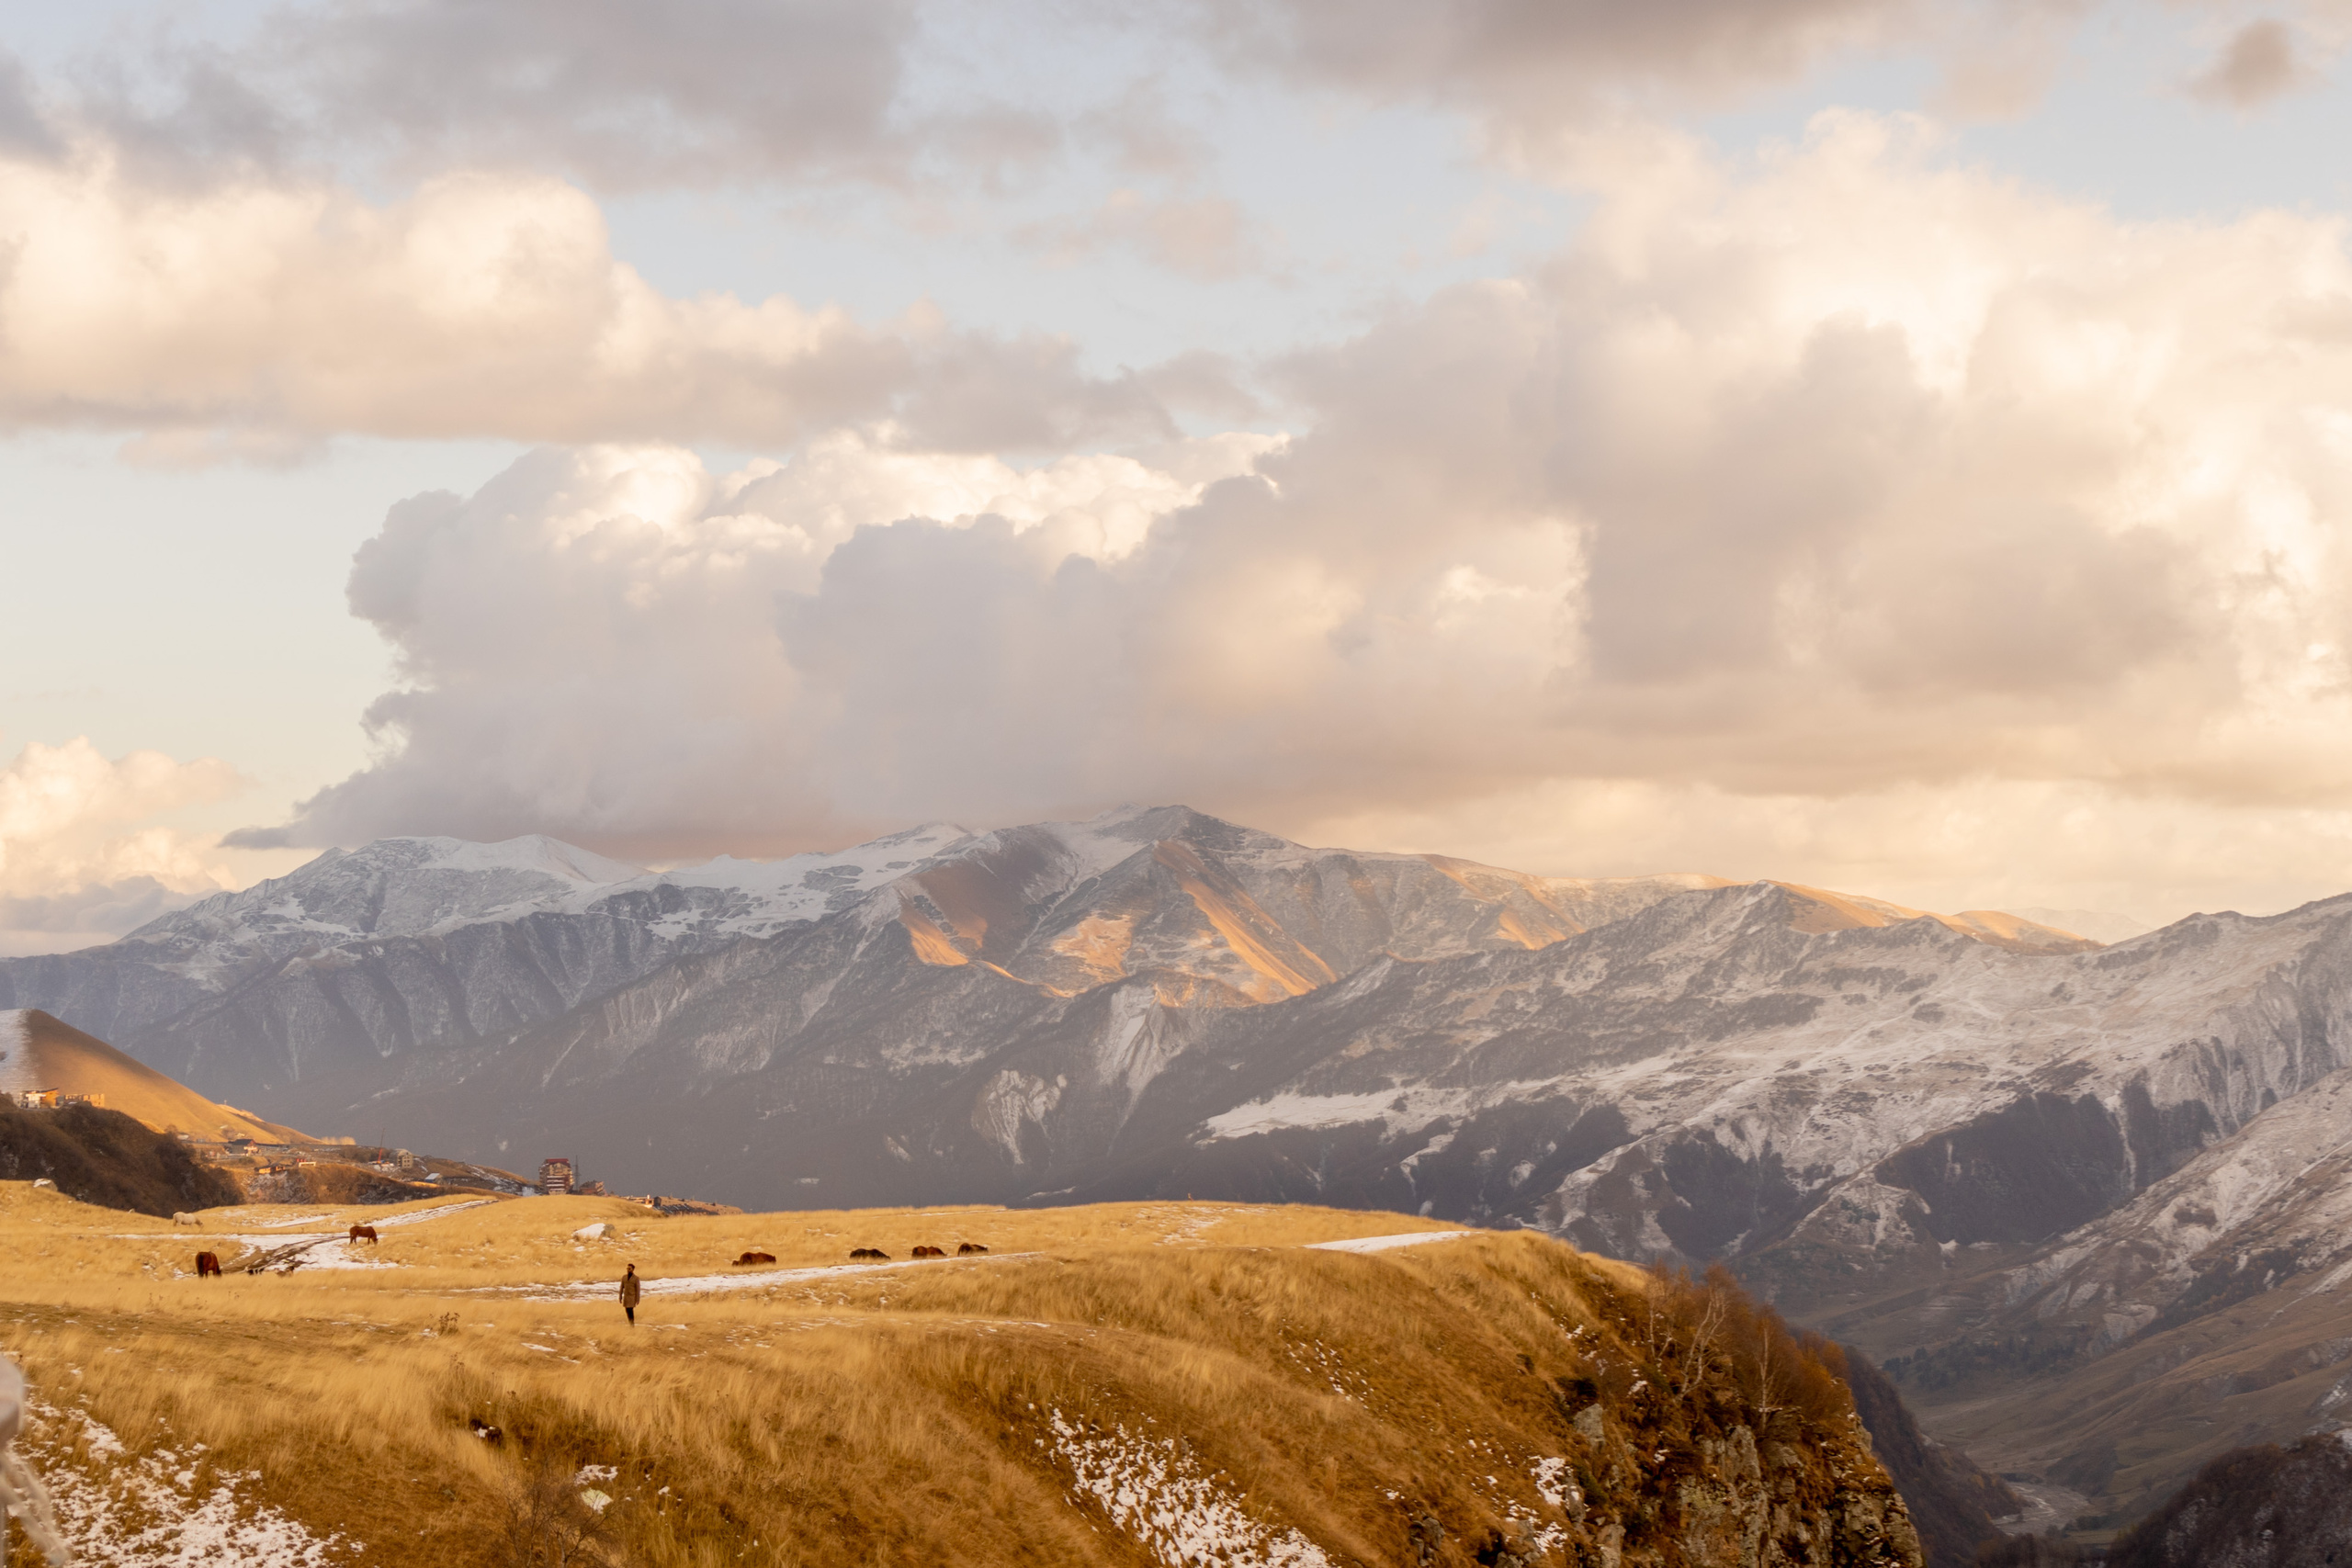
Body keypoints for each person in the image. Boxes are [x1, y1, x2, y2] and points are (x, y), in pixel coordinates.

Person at [619, 1262, 640, 1326]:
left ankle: (632, 1324)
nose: (628, 1270)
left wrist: (637, 1299)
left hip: (632, 1297)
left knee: (630, 1310)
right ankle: (630, 1323)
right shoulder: (624, 1277)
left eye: (629, 1269)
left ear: (633, 1269)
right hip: (626, 1297)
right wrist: (620, 1296)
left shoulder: (636, 1278)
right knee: (627, 1310)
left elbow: (638, 1289)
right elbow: (621, 1287)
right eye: (627, 1269)